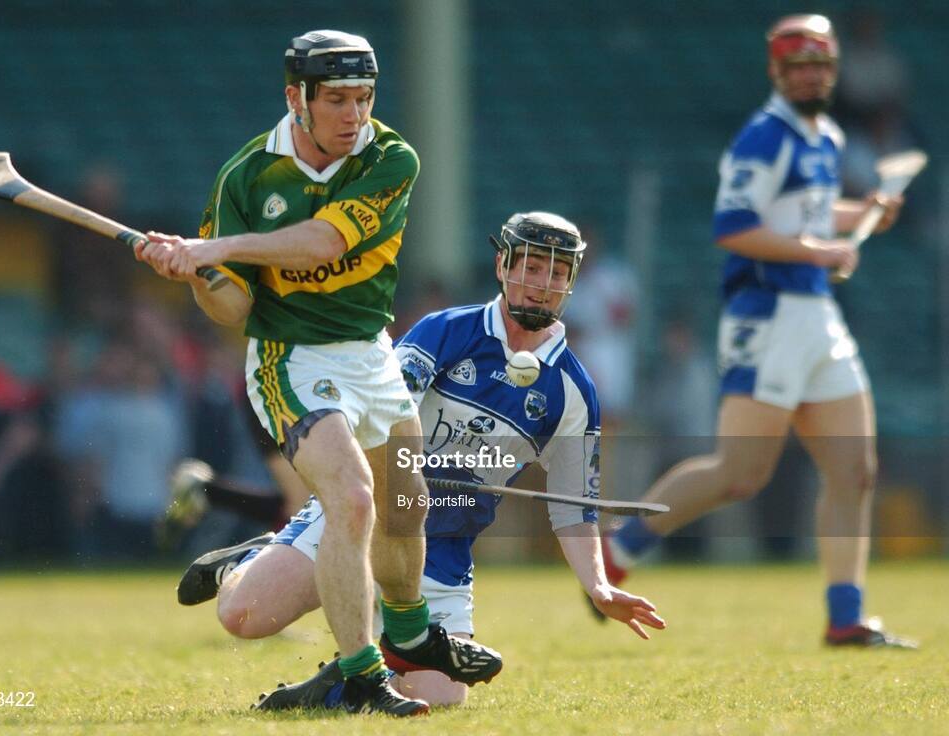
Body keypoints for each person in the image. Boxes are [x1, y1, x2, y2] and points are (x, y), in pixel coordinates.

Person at [133, 30, 501, 715]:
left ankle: (410, 629)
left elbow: (323, 242)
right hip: (292, 358)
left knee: (403, 508)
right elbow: (236, 306)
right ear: (295, 99)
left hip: (370, 352)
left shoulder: (390, 157)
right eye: (335, 99)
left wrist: (217, 245)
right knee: (354, 499)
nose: (352, 115)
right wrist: (198, 275)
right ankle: (363, 674)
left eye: (363, 98)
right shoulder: (246, 177)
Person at [175, 212, 666, 709]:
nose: (542, 285)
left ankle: (333, 684)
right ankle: (247, 559)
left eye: (557, 274)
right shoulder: (447, 332)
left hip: (445, 550)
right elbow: (385, 407)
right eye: (533, 267)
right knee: (243, 616)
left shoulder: (574, 392)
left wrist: (599, 587)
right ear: (503, 264)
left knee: (441, 698)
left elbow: (573, 508)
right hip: (370, 514)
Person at [602, 15, 916, 648]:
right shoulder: (762, 137)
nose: (808, 76)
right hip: (767, 315)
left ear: (833, 71)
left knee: (855, 470)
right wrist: (821, 250)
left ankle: (845, 617)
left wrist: (865, 214)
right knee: (739, 474)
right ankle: (617, 553)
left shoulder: (825, 136)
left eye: (819, 66)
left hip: (818, 317)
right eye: (796, 66)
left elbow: (814, 214)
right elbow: (735, 226)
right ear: (776, 72)